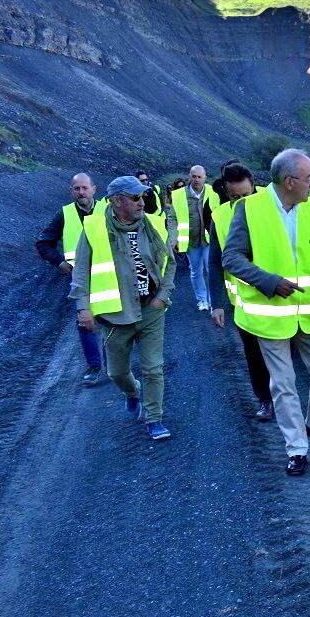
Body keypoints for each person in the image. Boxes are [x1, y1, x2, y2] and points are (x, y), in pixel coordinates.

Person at [221, 149, 310, 476]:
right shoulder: (249, 209)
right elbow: (231, 258)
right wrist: (270, 282)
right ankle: (296, 448)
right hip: (271, 316)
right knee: (284, 383)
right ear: (289, 182)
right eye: (309, 179)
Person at [71, 176, 176, 440]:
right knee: (116, 371)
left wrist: (163, 295)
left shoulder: (152, 224)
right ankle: (132, 392)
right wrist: (83, 307)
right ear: (118, 201)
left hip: (151, 308)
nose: (142, 202)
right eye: (135, 198)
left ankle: (155, 418)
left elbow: (170, 262)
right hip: (116, 315)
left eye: (143, 197)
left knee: (154, 367)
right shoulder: (95, 228)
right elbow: (81, 270)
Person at [208, 161, 274, 422]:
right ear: (226, 191)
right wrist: (217, 303)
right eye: (235, 196)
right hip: (245, 304)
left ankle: (284, 397)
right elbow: (214, 263)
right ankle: (265, 400)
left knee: (282, 356)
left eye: (246, 195)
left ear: (254, 186)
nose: (242, 201)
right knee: (255, 356)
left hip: (280, 298)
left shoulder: (274, 207)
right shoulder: (220, 217)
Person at [35, 172, 105, 386]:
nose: (81, 192)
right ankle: (95, 366)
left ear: (94, 189)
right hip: (80, 278)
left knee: (114, 322)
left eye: (85, 188)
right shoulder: (64, 214)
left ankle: (115, 366)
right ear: (71, 191)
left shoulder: (108, 209)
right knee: (85, 323)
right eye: (77, 188)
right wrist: (61, 263)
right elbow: (43, 243)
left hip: (109, 275)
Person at [171, 165, 218, 310]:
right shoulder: (178, 195)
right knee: (196, 271)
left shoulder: (213, 192)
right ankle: (202, 299)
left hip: (209, 240)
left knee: (211, 270)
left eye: (199, 177)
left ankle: (213, 300)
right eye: (194, 176)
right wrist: (174, 238)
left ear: (205, 177)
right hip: (191, 242)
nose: (196, 179)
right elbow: (172, 218)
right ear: (189, 176)